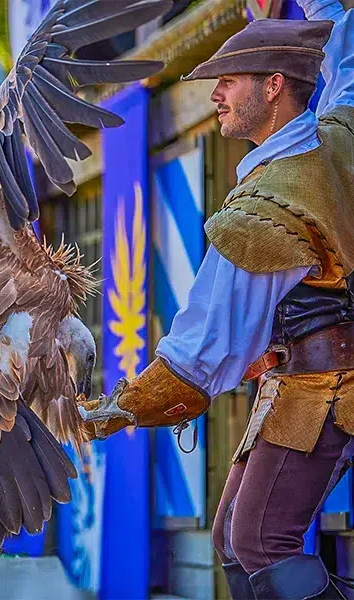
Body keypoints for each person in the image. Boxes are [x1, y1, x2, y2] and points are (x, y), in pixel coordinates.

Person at [80, 0, 354, 597]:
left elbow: (199, 352)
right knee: (232, 537)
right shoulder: (340, 134)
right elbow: (346, 58)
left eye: (228, 81)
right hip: (302, 385)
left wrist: (111, 411)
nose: (216, 95)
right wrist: (325, 7)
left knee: (257, 543)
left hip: (326, 389)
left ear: (275, 85)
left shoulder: (267, 207)